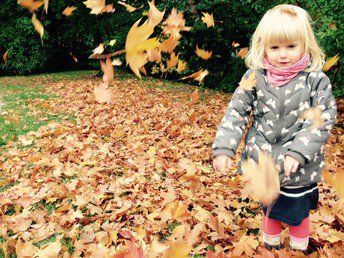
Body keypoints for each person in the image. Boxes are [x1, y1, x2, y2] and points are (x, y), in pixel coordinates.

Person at [212, 4, 337, 252]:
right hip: (264, 163)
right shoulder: (255, 78)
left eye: (291, 46)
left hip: (298, 167)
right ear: (264, 47)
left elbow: (321, 119)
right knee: (269, 208)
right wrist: (224, 149)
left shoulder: (315, 81)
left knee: (297, 213)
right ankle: (270, 248)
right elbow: (236, 112)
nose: (282, 54)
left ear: (305, 44)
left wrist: (298, 152)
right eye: (275, 47)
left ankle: (299, 249)